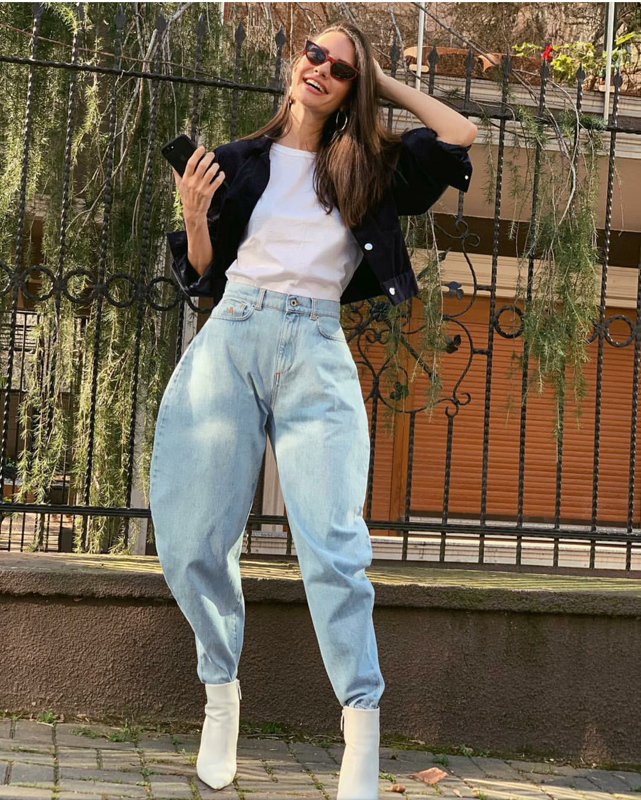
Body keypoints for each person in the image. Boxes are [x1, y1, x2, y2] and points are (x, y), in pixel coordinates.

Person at [149, 20, 476, 800]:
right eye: (314, 53)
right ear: (296, 61)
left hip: (316, 352)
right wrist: (193, 214)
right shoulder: (236, 162)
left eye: (340, 67)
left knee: (333, 549)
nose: (320, 67)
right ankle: (220, 695)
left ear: (352, 89)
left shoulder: (369, 166)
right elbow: (203, 277)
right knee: (193, 539)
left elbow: (458, 134)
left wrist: (380, 79)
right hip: (232, 340)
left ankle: (360, 730)